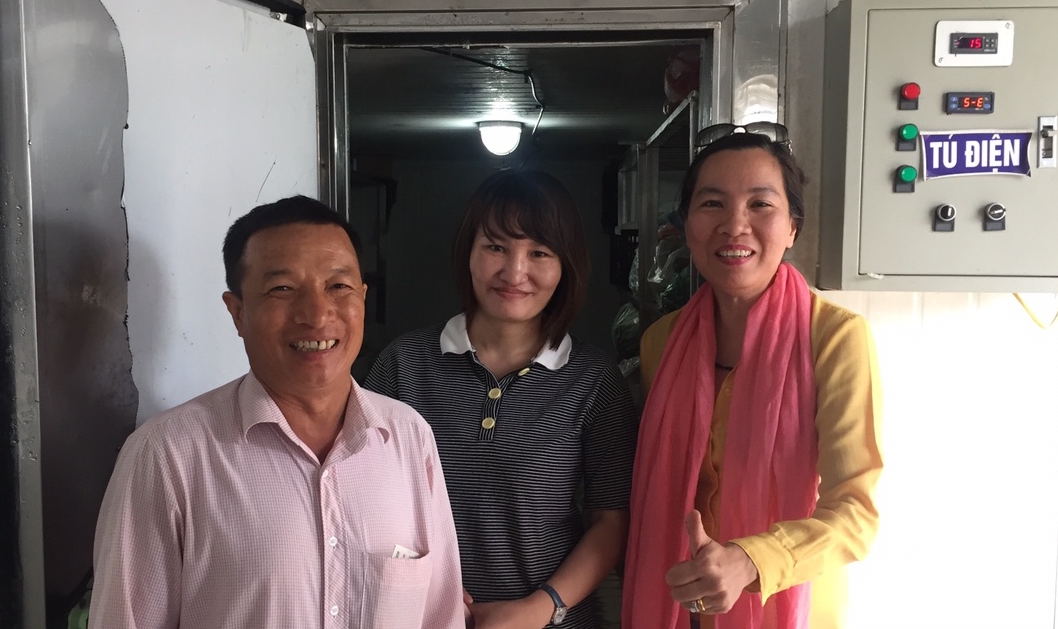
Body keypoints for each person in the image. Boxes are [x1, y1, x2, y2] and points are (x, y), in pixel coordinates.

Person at [89, 196, 467, 629]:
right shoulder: (167, 455)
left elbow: (440, 616)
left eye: (338, 286)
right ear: (237, 312)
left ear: (362, 298)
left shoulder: (407, 436)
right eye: (282, 289)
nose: (317, 315)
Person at [622, 129, 883, 629]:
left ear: (792, 228)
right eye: (712, 204)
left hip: (786, 606)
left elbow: (855, 513)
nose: (735, 225)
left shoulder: (834, 339)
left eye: (760, 204)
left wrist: (750, 561)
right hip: (678, 603)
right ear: (687, 225)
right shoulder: (662, 343)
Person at [364, 170, 638, 629]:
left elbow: (610, 520)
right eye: (495, 247)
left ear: (565, 266)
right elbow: (365, 497)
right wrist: (429, 588)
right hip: (423, 617)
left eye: (539, 253)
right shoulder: (403, 365)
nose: (514, 272)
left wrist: (539, 608)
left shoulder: (593, 380)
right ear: (467, 253)